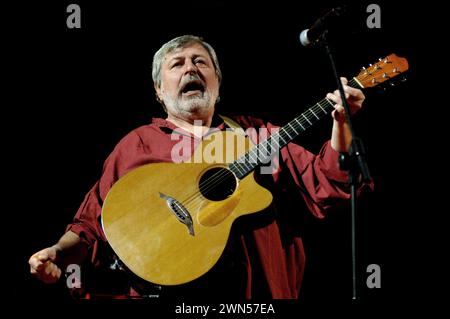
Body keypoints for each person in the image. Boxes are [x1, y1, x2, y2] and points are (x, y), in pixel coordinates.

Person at [28, 35, 369, 299]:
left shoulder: (258, 137)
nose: (190, 69)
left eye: (200, 62)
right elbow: (91, 225)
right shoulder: (137, 145)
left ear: (217, 84)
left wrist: (341, 122)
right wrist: (57, 253)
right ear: (160, 91)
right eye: (177, 64)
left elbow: (331, 184)